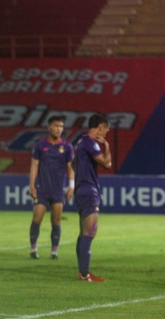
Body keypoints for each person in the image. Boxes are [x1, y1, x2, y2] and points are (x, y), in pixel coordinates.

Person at [28, 116, 74, 260]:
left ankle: (54, 252)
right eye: (56, 126)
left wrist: (72, 186)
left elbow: (70, 167)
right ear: (49, 128)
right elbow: (34, 165)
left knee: (56, 220)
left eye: (61, 126)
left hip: (58, 190)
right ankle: (33, 249)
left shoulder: (67, 147)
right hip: (42, 188)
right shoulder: (41, 146)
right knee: (37, 218)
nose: (59, 129)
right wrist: (32, 185)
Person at [73, 114, 111, 282]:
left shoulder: (80, 142)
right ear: (100, 127)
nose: (105, 135)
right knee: (90, 232)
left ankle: (83, 271)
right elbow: (107, 163)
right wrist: (107, 146)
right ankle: (84, 274)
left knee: (83, 233)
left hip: (81, 189)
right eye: (106, 132)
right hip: (89, 191)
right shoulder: (90, 142)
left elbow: (73, 165)